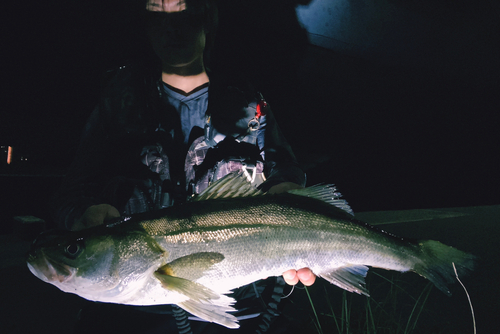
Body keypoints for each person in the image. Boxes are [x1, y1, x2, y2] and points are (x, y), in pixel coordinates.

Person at [51, 0, 315, 331]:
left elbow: (284, 168)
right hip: (135, 304)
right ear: (145, 24)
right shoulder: (118, 99)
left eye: (185, 13)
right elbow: (70, 192)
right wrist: (82, 213)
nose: (172, 27)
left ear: (207, 20)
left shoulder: (248, 99)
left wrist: (289, 193)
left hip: (245, 298)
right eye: (158, 14)